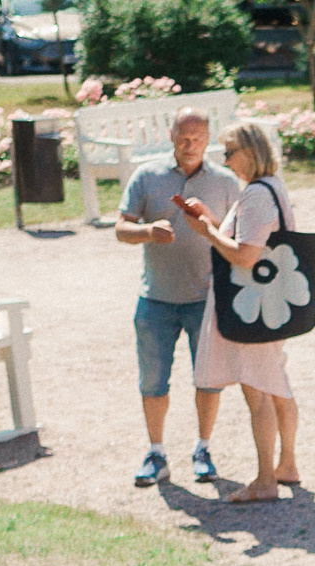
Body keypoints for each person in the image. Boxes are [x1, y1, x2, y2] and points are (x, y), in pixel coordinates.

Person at [115, 107, 239, 489]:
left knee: (209, 379)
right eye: (184, 138)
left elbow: (239, 237)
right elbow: (121, 228)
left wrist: (210, 226)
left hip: (207, 297)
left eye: (198, 139)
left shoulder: (225, 182)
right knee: (152, 381)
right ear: (170, 135)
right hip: (156, 298)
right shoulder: (147, 176)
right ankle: (156, 453)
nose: (190, 145)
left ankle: (203, 449)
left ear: (209, 138)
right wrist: (149, 231)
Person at [179, 120, 301, 504]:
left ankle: (265, 480)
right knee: (277, 386)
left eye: (230, 152)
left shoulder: (255, 196)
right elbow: (253, 243)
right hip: (274, 302)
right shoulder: (273, 188)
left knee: (259, 391)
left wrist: (207, 233)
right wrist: (213, 223)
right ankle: (287, 465)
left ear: (250, 151)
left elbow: (245, 256)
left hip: (254, 308)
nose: (226, 161)